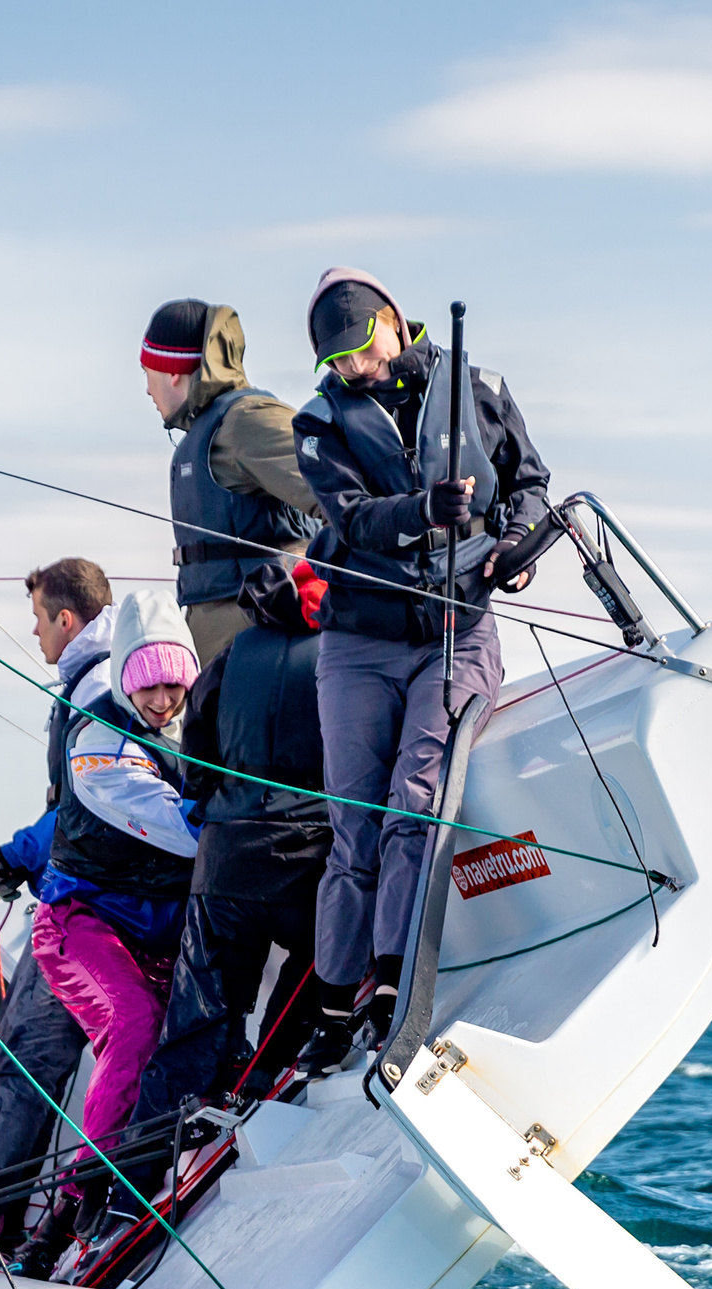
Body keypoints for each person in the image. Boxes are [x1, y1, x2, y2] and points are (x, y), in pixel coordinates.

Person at [290, 268, 552, 1072]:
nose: (351, 370)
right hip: (359, 645)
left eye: (359, 350)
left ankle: (397, 991)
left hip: (457, 632)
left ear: (391, 324)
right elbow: (354, 519)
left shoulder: (479, 387)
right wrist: (421, 512)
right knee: (353, 824)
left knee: (415, 803)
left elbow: (532, 487)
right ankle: (336, 1005)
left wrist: (517, 549)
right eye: (335, 362)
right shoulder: (320, 422)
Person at [114, 557, 333, 1209]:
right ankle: (260, 1075)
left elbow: (196, 763)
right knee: (325, 961)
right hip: (305, 867)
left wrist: (218, 806)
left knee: (192, 1028)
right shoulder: (341, 657)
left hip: (224, 867)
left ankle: (123, 1193)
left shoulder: (231, 655)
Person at [0, 557, 114, 1259]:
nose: (33, 632)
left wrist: (8, 861)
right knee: (34, 1063)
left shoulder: (94, 694)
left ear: (66, 620)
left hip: (86, 911)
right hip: (95, 901)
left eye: (38, 619)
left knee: (23, 1061)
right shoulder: (115, 678)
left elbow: (82, 812)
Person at [27, 588, 200, 1245]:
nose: (161, 702)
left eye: (174, 686)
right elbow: (181, 829)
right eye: (147, 687)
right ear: (125, 677)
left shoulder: (194, 721)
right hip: (82, 922)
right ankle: (77, 1195)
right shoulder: (97, 739)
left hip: (161, 924)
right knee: (134, 1020)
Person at [141, 299, 322, 666]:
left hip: (261, 640)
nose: (147, 389)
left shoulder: (245, 421)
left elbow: (339, 497)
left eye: (147, 372)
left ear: (171, 372)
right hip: (219, 642)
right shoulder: (206, 433)